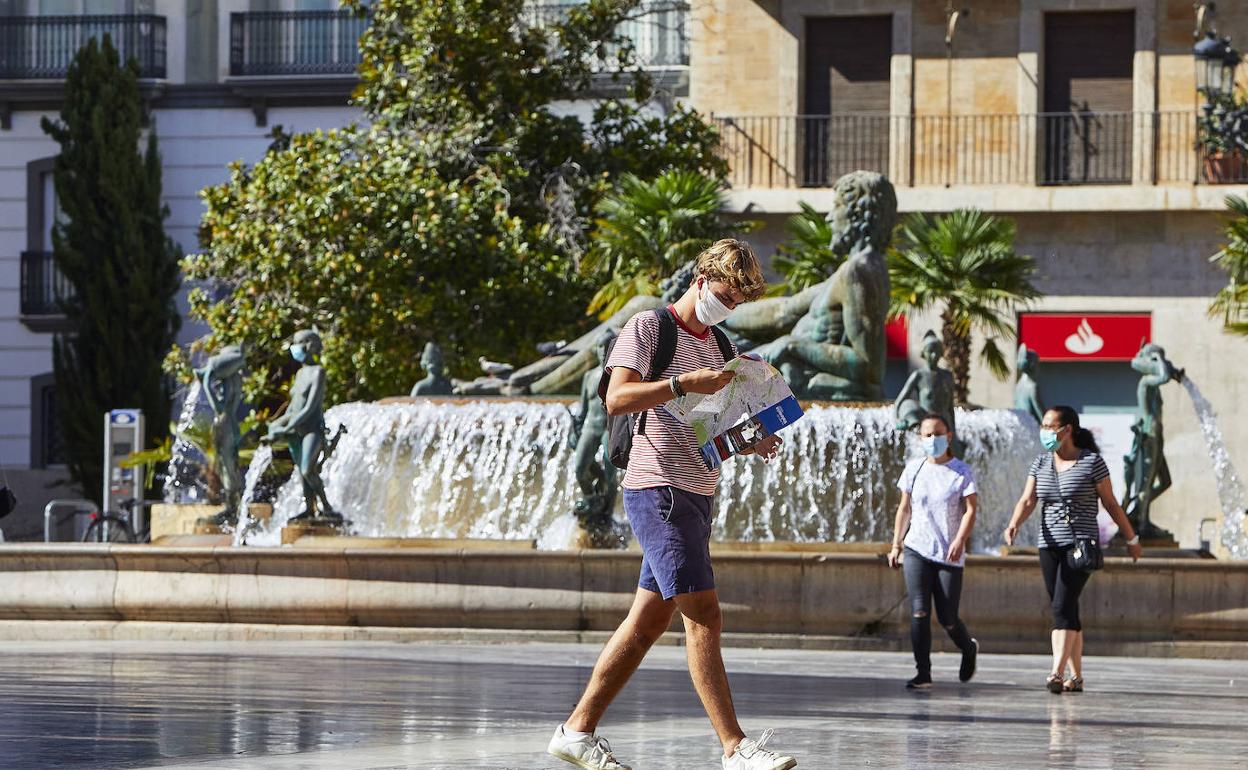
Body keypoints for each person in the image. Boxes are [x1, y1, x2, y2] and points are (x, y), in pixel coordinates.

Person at [547, 239, 798, 770]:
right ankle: (735, 748)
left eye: (736, 303)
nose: (726, 309)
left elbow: (715, 427)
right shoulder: (648, 328)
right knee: (704, 613)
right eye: (724, 296)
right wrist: (683, 381)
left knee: (646, 624)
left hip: (697, 490)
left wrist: (753, 440)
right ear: (701, 280)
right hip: (656, 488)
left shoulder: (723, 344)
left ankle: (576, 731)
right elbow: (617, 397)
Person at [1003, 406, 1143, 693]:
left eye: (1049, 426)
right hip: (1049, 544)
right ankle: (1076, 677)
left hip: (1080, 545)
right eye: (1042, 426)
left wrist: (1131, 538)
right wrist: (1014, 523)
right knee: (1066, 609)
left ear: (1067, 430)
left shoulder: (1091, 463)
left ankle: (1055, 672)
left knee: (1060, 607)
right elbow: (1028, 500)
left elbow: (1111, 503)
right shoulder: (1040, 464)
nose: (1044, 432)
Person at [887, 413, 979, 690]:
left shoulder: (961, 471)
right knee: (919, 611)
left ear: (949, 436)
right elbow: (904, 509)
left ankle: (968, 647)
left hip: (949, 551)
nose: (932, 439)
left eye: (937, 433)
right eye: (927, 434)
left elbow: (971, 510)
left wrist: (960, 540)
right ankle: (923, 672)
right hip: (917, 547)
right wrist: (896, 544)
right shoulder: (914, 469)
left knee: (948, 616)